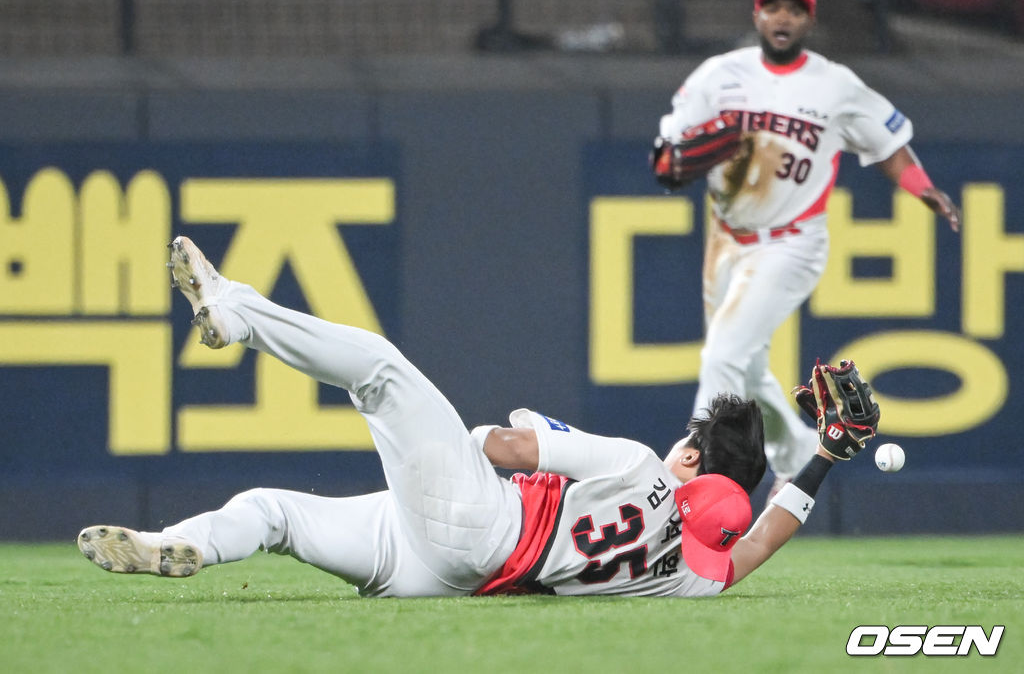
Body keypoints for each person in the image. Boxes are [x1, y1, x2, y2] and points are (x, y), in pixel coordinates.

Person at [77, 236, 851, 598]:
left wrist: (468, 440)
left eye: (689, 443)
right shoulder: (685, 575)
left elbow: (509, 446)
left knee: (380, 370)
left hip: (483, 520)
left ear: (690, 458)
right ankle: (171, 546)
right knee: (273, 513)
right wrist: (822, 459)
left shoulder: (639, 465)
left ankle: (236, 311)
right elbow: (752, 547)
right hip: (451, 575)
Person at [652, 0, 960, 494]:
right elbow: (670, 147)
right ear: (757, 14)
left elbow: (887, 143)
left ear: (809, 20)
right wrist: (668, 160)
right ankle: (793, 452)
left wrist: (921, 185)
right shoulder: (719, 75)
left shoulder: (834, 84)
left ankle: (695, 478)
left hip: (792, 242)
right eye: (774, 7)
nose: (783, 17)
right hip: (726, 239)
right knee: (745, 369)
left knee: (723, 355)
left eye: (794, 9)